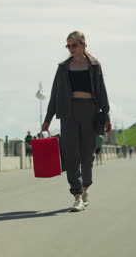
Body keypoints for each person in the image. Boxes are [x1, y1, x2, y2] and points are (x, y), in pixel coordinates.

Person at [41, 30, 111, 212]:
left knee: (87, 156)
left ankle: (86, 187)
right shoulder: (63, 67)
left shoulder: (95, 66)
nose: (71, 48)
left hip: (90, 112)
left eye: (74, 45)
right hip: (68, 113)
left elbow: (102, 92)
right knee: (71, 155)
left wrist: (107, 117)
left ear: (83, 44)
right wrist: (47, 119)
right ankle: (77, 196)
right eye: (68, 45)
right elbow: (55, 94)